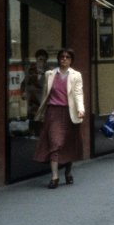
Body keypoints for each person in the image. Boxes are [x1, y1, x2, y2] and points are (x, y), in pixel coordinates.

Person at [33, 48, 84, 188]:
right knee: (55, 143)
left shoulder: (76, 75)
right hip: (53, 113)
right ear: (58, 59)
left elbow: (78, 93)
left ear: (71, 60)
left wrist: (81, 109)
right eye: (62, 57)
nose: (64, 59)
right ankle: (54, 177)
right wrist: (41, 111)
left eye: (67, 57)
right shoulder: (50, 74)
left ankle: (68, 172)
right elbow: (45, 94)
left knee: (67, 144)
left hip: (69, 113)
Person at [21, 48, 48, 136]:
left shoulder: (49, 72)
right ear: (36, 59)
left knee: (42, 124)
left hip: (42, 101)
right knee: (32, 122)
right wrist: (23, 92)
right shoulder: (31, 70)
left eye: (44, 60)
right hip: (32, 102)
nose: (42, 62)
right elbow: (24, 83)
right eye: (40, 59)